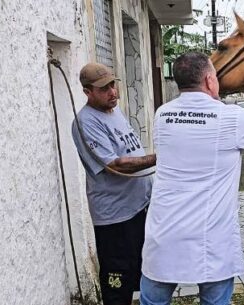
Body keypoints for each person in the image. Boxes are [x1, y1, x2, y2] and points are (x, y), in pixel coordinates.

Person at [139, 52, 244, 305]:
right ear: (210, 81)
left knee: (153, 300)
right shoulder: (230, 117)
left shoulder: (162, 115)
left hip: (164, 236)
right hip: (210, 240)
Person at [72, 62, 156, 305]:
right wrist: (159, 158)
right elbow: (115, 165)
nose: (113, 92)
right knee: (117, 282)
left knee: (139, 276)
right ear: (88, 92)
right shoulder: (85, 122)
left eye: (113, 85)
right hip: (115, 219)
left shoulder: (113, 111)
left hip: (137, 209)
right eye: (104, 89)